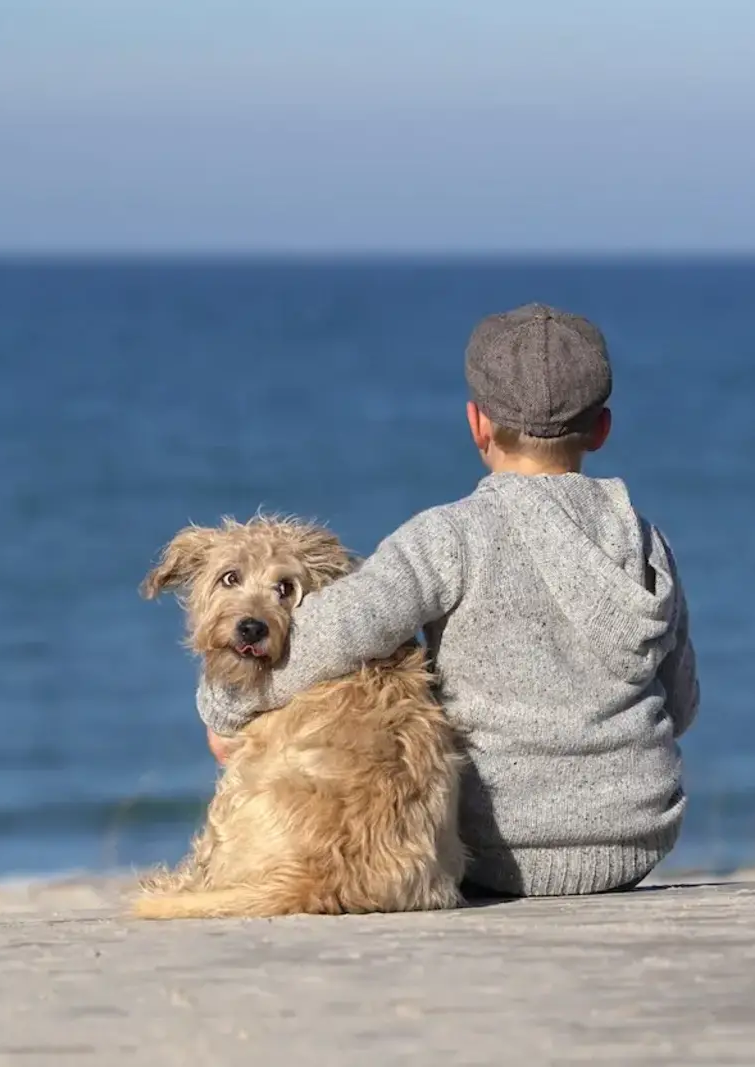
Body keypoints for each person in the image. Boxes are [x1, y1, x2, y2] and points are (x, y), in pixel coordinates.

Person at [197, 302, 700, 898]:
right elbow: (682, 703)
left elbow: (329, 635)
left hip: (491, 850)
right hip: (637, 837)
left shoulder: (449, 538)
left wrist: (226, 708)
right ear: (601, 428)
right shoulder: (644, 540)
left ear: (477, 424)